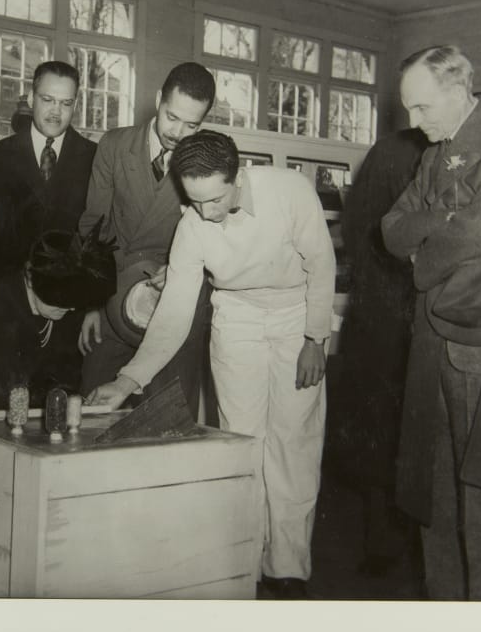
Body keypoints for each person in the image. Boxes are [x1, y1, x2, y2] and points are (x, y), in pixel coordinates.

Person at [88, 130, 336, 600]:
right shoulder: (194, 224)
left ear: (238, 175)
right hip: (236, 317)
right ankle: (246, 561)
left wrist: (314, 339)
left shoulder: (290, 192)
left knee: (293, 443)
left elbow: (321, 265)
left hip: (295, 315)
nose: (206, 212)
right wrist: (127, 380)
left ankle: (288, 568)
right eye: (194, 201)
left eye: (216, 199)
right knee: (243, 440)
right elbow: (175, 313)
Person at [381, 46, 481, 601]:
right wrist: (444, 222)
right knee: (432, 492)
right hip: (433, 340)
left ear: (460, 87)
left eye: (422, 108)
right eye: (409, 110)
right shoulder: (433, 153)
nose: (414, 123)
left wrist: (426, 256)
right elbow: (391, 230)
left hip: (478, 342)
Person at [78, 62, 217, 420]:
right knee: (94, 416)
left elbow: (214, 236)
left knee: (167, 422)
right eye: (172, 117)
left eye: (192, 125)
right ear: (158, 100)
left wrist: (179, 268)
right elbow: (93, 226)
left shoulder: (206, 163)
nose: (178, 132)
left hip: (175, 304)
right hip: (111, 295)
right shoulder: (113, 144)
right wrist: (91, 305)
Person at [326, 127, 425, 575]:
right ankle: (394, 543)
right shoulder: (408, 152)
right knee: (397, 436)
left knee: (382, 436)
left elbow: (353, 226)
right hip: (399, 317)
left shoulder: (392, 148)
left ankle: (384, 540)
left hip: (379, 313)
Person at [0, 225, 116, 416]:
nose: (71, 308)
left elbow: (64, 374)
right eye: (60, 300)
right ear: (30, 277)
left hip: (26, 415)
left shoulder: (65, 308)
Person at [0, 60, 96, 295]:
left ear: (76, 105)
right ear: (31, 99)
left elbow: (96, 246)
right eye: (47, 100)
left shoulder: (95, 159)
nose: (56, 111)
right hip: (6, 302)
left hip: (69, 303)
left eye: (65, 103)